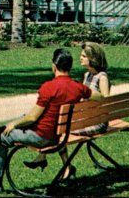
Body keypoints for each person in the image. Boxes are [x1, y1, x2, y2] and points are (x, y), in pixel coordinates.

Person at [0, 49, 94, 193]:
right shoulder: (78, 87)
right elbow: (100, 96)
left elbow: (33, 117)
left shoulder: (49, 87)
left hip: (41, 137)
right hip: (58, 136)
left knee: (2, 138)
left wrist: (13, 124)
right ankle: (1, 129)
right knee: (26, 118)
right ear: (70, 67)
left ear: (54, 66)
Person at [22, 42, 111, 170]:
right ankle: (63, 166)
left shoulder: (102, 77)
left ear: (93, 58)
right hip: (87, 118)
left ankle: (59, 164)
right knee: (61, 126)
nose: (80, 58)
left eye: (84, 56)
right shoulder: (88, 75)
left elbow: (106, 103)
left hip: (98, 123)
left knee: (60, 128)